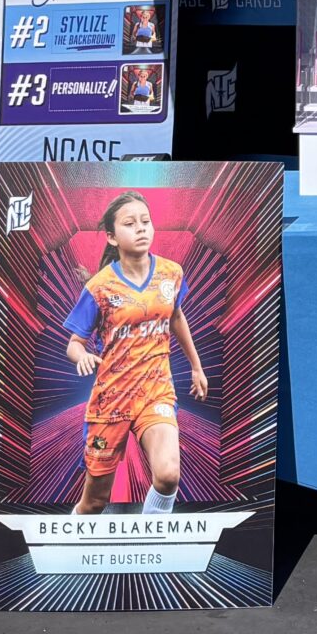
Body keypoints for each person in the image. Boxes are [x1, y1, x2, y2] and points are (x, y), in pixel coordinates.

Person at [63, 192, 208, 515]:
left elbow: (175, 317)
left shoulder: (171, 273)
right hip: (110, 401)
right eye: (130, 224)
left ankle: (153, 541)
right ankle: (67, 555)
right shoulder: (99, 288)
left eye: (146, 221)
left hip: (155, 391)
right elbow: (73, 343)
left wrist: (197, 367)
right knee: (94, 502)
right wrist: (82, 355)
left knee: (168, 475)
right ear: (113, 237)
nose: (141, 229)